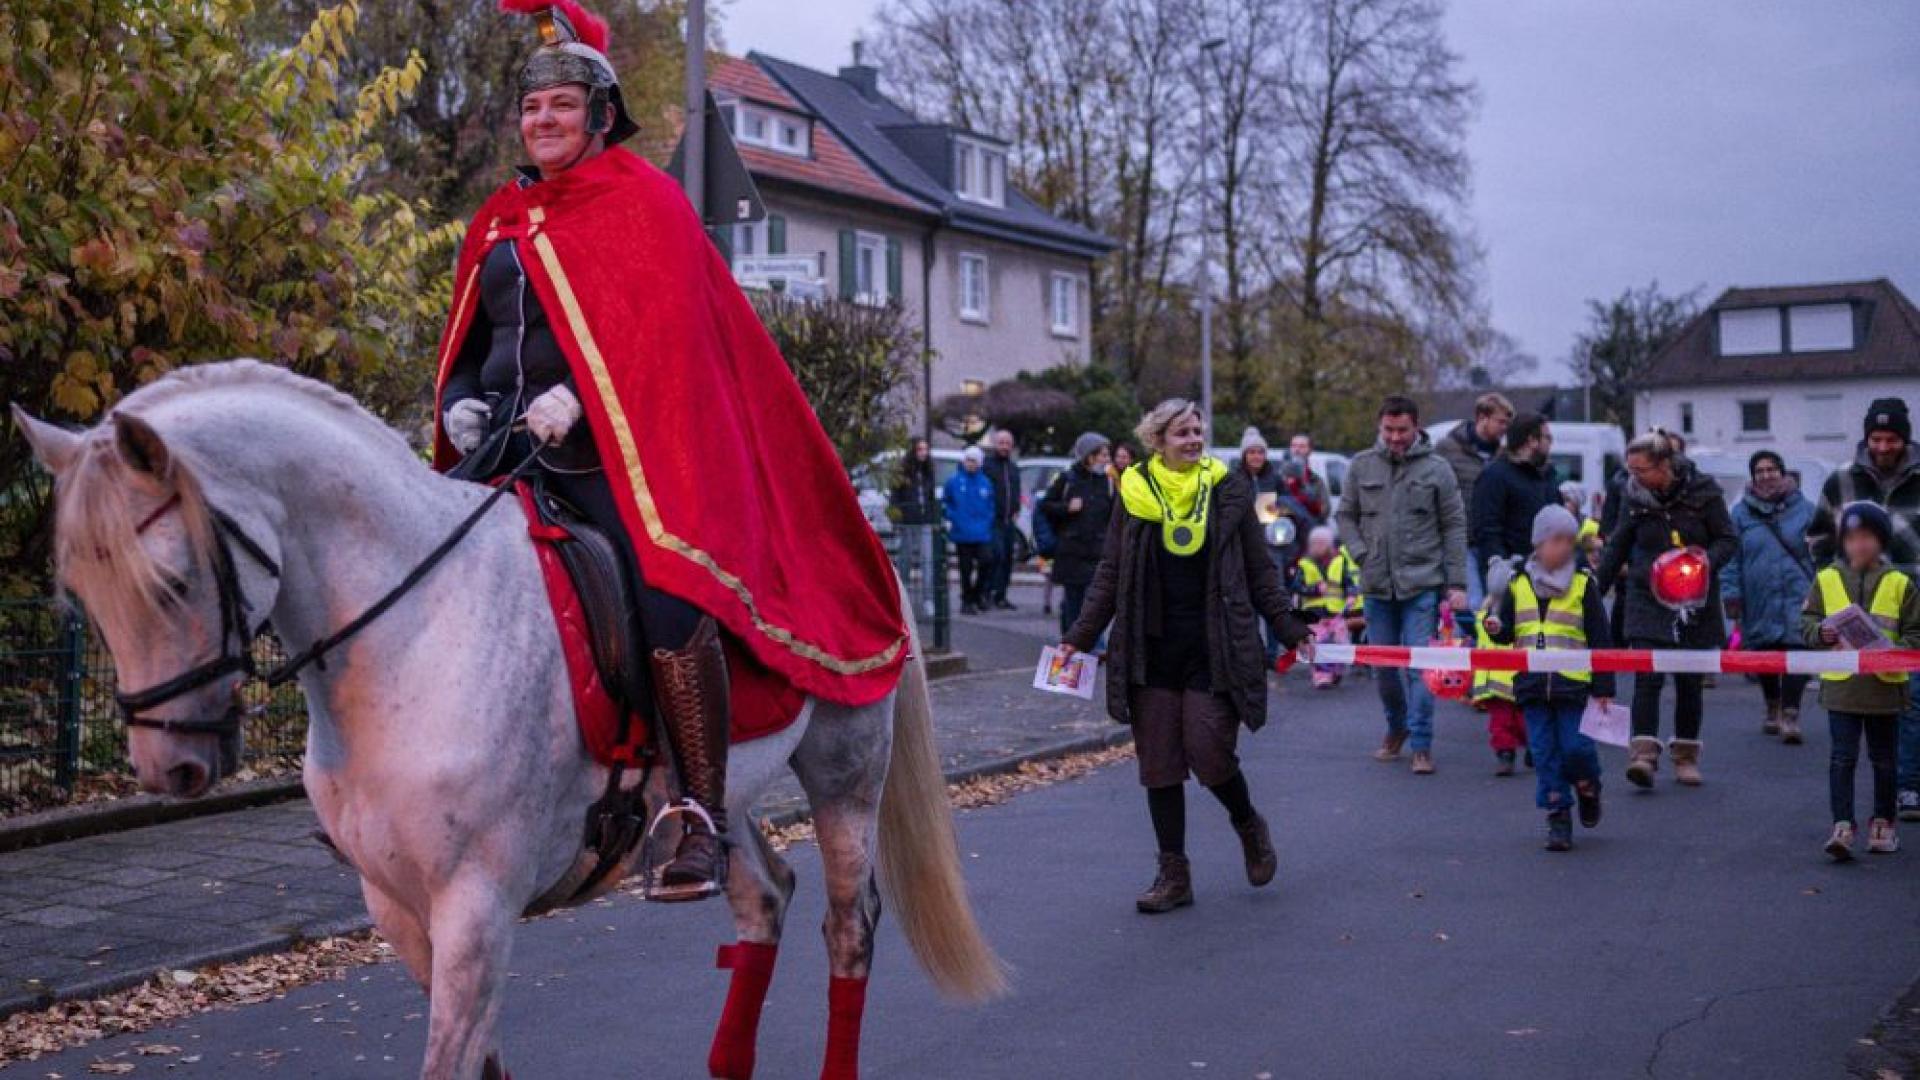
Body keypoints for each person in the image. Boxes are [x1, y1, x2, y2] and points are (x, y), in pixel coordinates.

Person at [432, 0, 908, 902]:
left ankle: (695, 810)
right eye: (533, 111)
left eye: (562, 108)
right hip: (499, 453)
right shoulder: (498, 219)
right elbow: (473, 341)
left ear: (600, 116)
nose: (543, 123)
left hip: (617, 458)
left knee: (664, 586)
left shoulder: (642, 202)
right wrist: (458, 405)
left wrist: (583, 394)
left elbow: (673, 337)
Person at [1061, 399, 1312, 914]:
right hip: (1149, 648)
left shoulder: (1228, 490)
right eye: (1182, 432)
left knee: (1209, 751)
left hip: (1213, 646)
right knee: (1159, 765)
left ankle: (1247, 823)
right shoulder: (1132, 494)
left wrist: (1288, 627)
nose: (1194, 440)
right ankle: (1173, 874)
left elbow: (1260, 568)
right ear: (1158, 440)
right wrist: (1079, 636)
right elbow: (1110, 572)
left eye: (1198, 430)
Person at [1336, 396, 1470, 774]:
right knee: (1383, 667)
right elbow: (1345, 515)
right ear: (1380, 428)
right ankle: (1396, 727)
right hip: (1377, 585)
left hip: (1422, 584)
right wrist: (1361, 553)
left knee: (1420, 667)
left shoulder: (1437, 469)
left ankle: (1422, 743)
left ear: (1416, 428)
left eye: (1402, 430)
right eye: (1388, 430)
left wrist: (1456, 581)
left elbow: (1454, 525)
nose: (1395, 437)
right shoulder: (1362, 466)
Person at [1596, 431, 1737, 788]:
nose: (1634, 477)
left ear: (1664, 465)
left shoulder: (1704, 492)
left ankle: (1686, 757)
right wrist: (1594, 591)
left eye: (1641, 469)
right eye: (1630, 469)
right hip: (1646, 595)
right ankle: (1643, 755)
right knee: (1648, 675)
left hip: (1694, 599)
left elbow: (1728, 539)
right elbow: (1617, 545)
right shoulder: (1634, 496)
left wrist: (1708, 560)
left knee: (1689, 680)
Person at [1807, 399, 1920, 822]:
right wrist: (1829, 580)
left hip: (1909, 601)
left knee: (1910, 699)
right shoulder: (1842, 480)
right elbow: (1818, 536)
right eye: (1876, 438)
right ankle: (1864, 802)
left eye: (1892, 439)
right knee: (1855, 702)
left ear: (1905, 438)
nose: (1884, 446)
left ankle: (1908, 785)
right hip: (1853, 605)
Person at [1487, 506, 1615, 851]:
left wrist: (1604, 687)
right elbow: (1507, 632)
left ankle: (1589, 784)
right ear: (1539, 543)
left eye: (1569, 541)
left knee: (1576, 748)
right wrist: (1494, 627)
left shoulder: (1583, 585)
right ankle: (1558, 815)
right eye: (1556, 539)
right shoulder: (1518, 584)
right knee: (1544, 753)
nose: (1563, 547)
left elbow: (1601, 639)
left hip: (1573, 685)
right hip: (1531, 686)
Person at [1802, 502, 1920, 861]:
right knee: (1842, 758)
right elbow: (1807, 623)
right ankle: (1842, 825)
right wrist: (1820, 633)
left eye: (1867, 537)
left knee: (1884, 760)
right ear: (1843, 542)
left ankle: (1883, 824)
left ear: (1881, 541)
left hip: (1885, 687)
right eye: (1852, 538)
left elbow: (1915, 634)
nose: (1860, 545)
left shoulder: (1901, 583)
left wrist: (1895, 648)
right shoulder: (1826, 578)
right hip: (1842, 687)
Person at [1722, 450, 1817, 743]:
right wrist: (1731, 593)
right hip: (1758, 593)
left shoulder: (1806, 509)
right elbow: (1731, 557)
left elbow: (1820, 552)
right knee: (1765, 653)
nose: (1766, 475)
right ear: (1753, 477)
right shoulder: (1740, 513)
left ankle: (1790, 713)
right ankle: (1772, 704)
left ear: (1783, 472)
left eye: (1771, 469)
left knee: (1798, 649)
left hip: (1798, 591)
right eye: (1760, 471)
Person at [1437, 392, 1515, 613]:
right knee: (1473, 605)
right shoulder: (1448, 449)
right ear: (1482, 418)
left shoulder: (1504, 456)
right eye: (1501, 422)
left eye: (1507, 424)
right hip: (1462, 541)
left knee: (1496, 604)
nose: (1504, 429)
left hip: (1494, 543)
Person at [1039, 433, 1117, 637]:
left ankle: (1090, 643)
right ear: (1089, 456)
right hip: (1071, 552)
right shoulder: (1067, 478)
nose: (1107, 459)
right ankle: (1070, 644)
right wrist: (1066, 508)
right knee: (1073, 602)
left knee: (1094, 602)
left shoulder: (1108, 482)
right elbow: (1045, 506)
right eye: (1103, 455)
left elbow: (1115, 515)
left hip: (1097, 553)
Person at [1240, 427, 1306, 662]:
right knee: (1246, 602)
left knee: (1273, 597)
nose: (1257, 456)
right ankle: (1250, 651)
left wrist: (1282, 510)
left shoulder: (1274, 477)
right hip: (1243, 547)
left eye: (1260, 452)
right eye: (1252, 452)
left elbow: (1293, 507)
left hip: (1271, 548)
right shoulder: (1234, 477)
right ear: (1244, 455)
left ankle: (1272, 651)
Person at [1470, 412, 1560, 568]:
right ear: (1532, 441)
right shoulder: (1495, 477)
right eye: (1547, 438)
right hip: (1511, 575)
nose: (1551, 443)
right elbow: (1487, 529)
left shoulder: (1547, 477)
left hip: (1547, 573)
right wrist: (1502, 567)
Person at [1296, 526, 1359, 688]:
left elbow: (1349, 582)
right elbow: (1296, 586)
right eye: (1315, 543)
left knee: (1339, 643)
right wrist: (1315, 589)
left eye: (1321, 543)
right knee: (1318, 644)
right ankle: (1321, 675)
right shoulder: (1304, 564)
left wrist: (1351, 594)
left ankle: (1336, 671)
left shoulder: (1340, 561)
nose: (1318, 546)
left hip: (1337, 613)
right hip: (1314, 614)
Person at [943, 447, 997, 614]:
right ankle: (967, 600)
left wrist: (988, 522)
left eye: (974, 461)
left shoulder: (985, 483)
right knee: (965, 569)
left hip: (982, 532)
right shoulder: (954, 481)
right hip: (962, 532)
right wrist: (954, 517)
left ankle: (977, 594)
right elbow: (946, 503)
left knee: (986, 561)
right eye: (968, 460)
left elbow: (991, 505)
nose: (970, 464)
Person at [982, 429, 1022, 611]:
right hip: (993, 520)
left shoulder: (1013, 468)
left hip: (1009, 519)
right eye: (1001, 443)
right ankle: (987, 591)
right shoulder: (988, 466)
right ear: (995, 444)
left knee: (1007, 558)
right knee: (995, 556)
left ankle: (1001, 595)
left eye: (1008, 443)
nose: (1004, 447)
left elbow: (1016, 490)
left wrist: (1016, 508)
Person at [1280, 433, 1332, 530]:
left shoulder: (1316, 481)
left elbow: (1325, 510)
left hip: (1309, 531)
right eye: (1294, 445)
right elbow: (1266, 511)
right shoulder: (1278, 479)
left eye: (1302, 446)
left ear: (1310, 450)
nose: (1297, 450)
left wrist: (1310, 503)